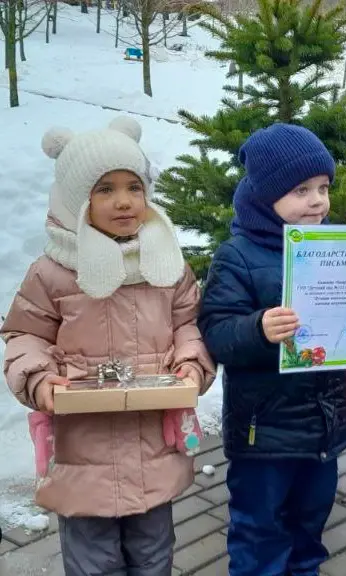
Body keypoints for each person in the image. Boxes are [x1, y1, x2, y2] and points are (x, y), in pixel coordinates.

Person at [1, 117, 216, 576]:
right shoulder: (52, 272)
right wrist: (39, 378)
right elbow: (25, 336)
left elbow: (188, 324)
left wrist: (191, 363)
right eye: (105, 189)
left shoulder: (166, 264)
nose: (123, 201)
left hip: (152, 445)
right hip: (84, 452)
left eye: (134, 187)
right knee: (93, 560)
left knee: (153, 554)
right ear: (76, 199)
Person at [197, 124, 346, 576]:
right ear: (266, 196)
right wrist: (258, 329)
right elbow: (216, 330)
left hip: (323, 423)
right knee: (259, 527)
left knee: (310, 521)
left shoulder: (338, 248)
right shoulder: (239, 255)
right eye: (301, 190)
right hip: (265, 431)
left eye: (323, 188)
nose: (317, 201)